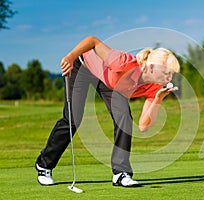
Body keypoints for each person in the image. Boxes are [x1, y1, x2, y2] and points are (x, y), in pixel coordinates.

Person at [35, 36, 180, 187]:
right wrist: (70, 57)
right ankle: (44, 165)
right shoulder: (123, 63)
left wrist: (158, 99)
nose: (170, 77)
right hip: (83, 68)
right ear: (151, 67)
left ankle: (120, 173)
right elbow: (92, 41)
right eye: (166, 72)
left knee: (124, 118)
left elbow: (143, 126)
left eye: (171, 73)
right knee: (73, 118)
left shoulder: (154, 88)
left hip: (110, 83)